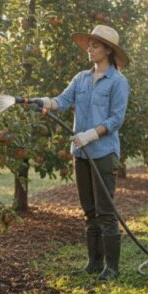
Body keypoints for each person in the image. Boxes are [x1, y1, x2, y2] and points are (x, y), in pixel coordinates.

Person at [35, 25, 130, 281]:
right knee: (89, 211)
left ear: (108, 50)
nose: (90, 49)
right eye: (89, 44)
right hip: (80, 154)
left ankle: (112, 268)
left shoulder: (118, 82)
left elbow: (116, 119)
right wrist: (44, 102)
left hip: (103, 152)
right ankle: (93, 263)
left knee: (106, 212)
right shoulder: (81, 79)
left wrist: (90, 134)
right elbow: (62, 101)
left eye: (95, 45)